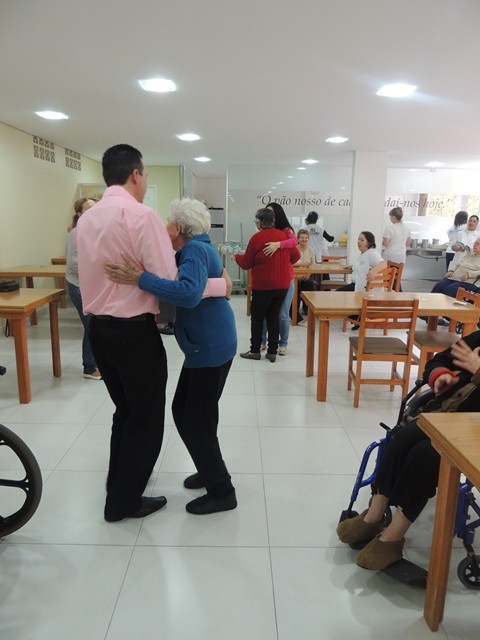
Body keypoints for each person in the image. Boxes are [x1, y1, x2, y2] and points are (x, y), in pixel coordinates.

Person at [76, 144, 228, 523]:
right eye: (144, 176)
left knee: (125, 412)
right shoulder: (140, 216)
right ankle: (124, 502)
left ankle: (118, 487)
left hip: (99, 331)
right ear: (136, 174)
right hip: (133, 333)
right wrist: (220, 284)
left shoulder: (87, 219)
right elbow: (171, 280)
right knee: (145, 419)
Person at [104, 198, 237, 515]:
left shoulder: (194, 250)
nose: (164, 228)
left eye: (167, 222)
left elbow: (189, 293)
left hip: (210, 347)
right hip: (208, 345)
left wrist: (139, 278)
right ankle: (209, 469)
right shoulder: (198, 248)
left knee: (196, 421)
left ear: (177, 227)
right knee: (186, 412)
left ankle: (222, 491)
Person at [336, 332, 480, 570]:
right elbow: (439, 360)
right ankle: (374, 515)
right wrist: (440, 375)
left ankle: (393, 537)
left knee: (424, 455)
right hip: (442, 416)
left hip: (472, 434)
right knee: (402, 439)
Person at [233, 208, 300, 362]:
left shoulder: (257, 238)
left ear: (259, 223)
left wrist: (236, 257)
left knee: (257, 317)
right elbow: (296, 256)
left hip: (263, 285)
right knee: (273, 317)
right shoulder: (283, 236)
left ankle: (255, 351)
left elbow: (246, 263)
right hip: (283, 284)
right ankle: (272, 352)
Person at [65, 197, 102, 380]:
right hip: (79, 287)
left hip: (91, 287)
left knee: (95, 326)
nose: (94, 211)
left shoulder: (93, 231)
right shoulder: (76, 233)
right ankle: (89, 367)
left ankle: (95, 362)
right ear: (79, 214)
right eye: (88, 209)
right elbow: (74, 263)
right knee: (92, 326)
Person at [260, 202, 298, 355]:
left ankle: (283, 344)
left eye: (271, 212)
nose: (268, 215)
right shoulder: (264, 231)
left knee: (282, 314)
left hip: (286, 280)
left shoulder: (286, 230)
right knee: (264, 312)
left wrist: (278, 245)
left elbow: (294, 242)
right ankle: (262, 341)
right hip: (269, 279)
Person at [294, 228, 317, 322]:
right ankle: (295, 310)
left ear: (308, 239)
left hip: (307, 275)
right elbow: (290, 264)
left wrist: (308, 274)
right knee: (296, 285)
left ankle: (307, 308)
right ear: (298, 239)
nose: (304, 239)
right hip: (295, 276)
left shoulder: (311, 250)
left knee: (310, 283)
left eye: (306, 237)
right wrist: (298, 275)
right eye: (302, 237)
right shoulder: (294, 249)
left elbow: (313, 265)